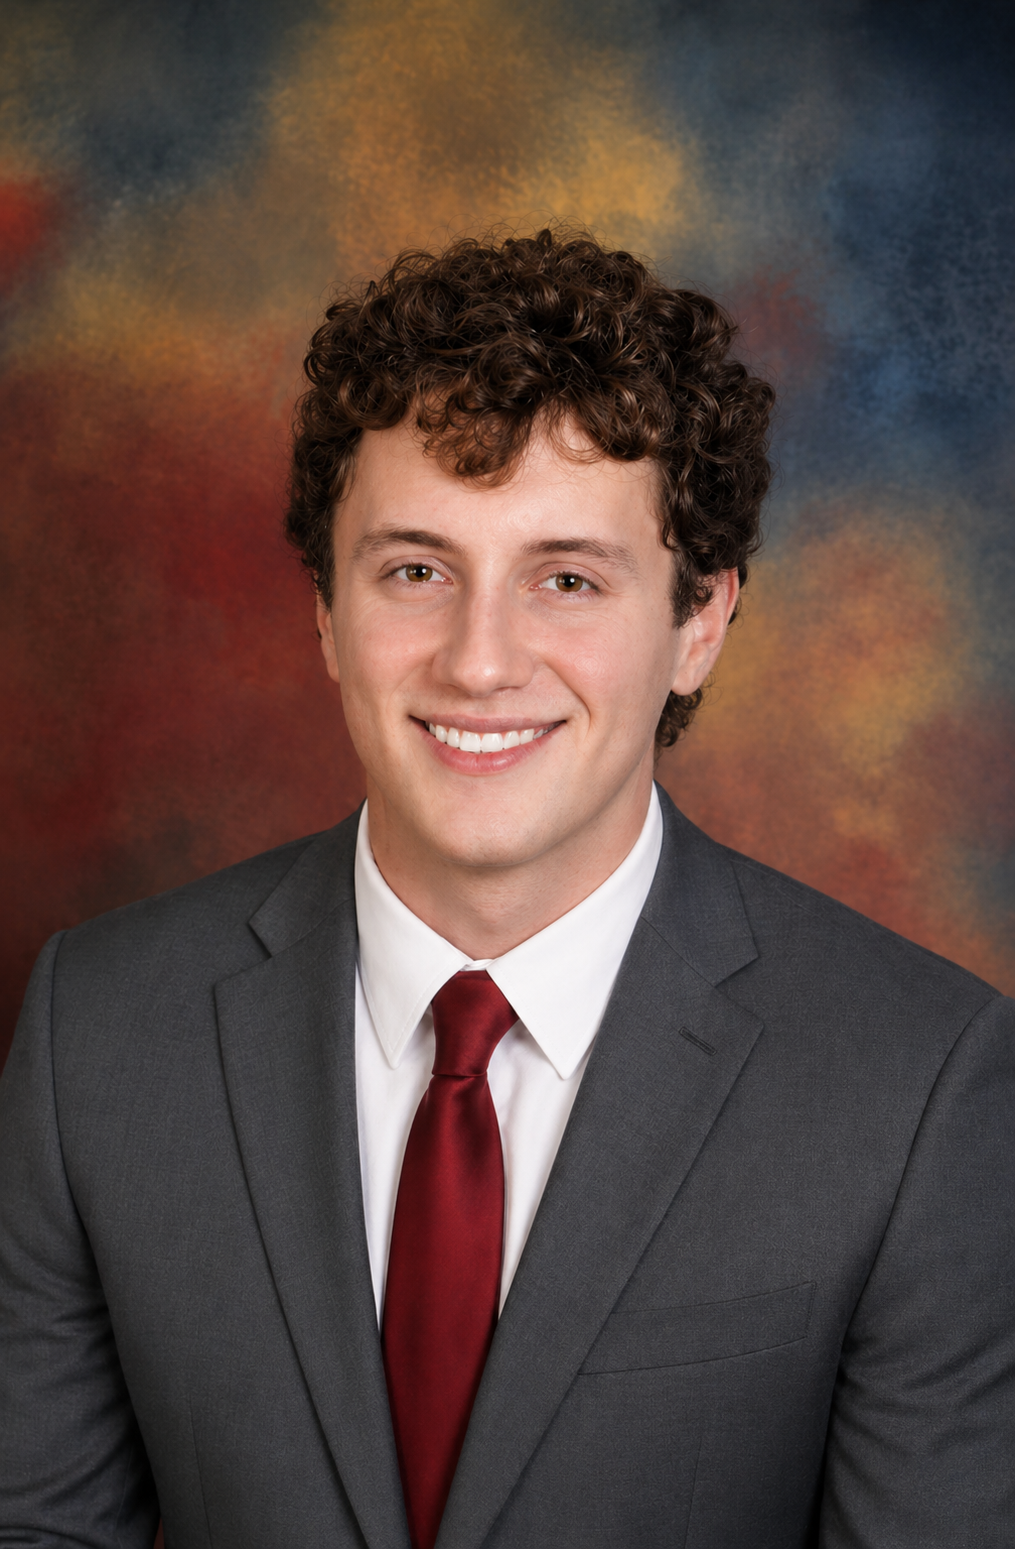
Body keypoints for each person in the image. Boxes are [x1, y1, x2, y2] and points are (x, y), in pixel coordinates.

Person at [0, 229, 1011, 1549]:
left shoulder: (917, 1084)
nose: (479, 662)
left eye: (567, 579)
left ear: (698, 620)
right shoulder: (99, 1031)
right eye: (416, 570)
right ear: (323, 610)